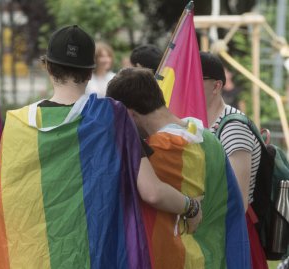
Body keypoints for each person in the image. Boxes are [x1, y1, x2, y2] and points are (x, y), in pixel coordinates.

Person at [0, 25, 202, 269]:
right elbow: (152, 191)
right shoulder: (111, 117)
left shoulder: (16, 123)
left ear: (47, 67)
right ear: (90, 72)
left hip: (30, 258)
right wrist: (191, 206)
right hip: (95, 257)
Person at [106, 67, 251, 269]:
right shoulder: (207, 137)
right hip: (216, 255)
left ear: (129, 114)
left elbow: (144, 196)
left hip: (179, 259)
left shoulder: (161, 149)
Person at [200, 51, 268, 269]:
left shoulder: (232, 127)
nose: (187, 83)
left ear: (217, 86)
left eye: (195, 79)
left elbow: (238, 199)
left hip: (233, 234)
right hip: (214, 230)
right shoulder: (203, 124)